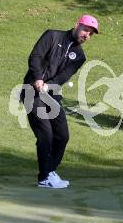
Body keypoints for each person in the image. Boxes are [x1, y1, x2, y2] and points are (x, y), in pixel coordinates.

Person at [21, 15, 99, 188]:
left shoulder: (79, 56)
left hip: (51, 95)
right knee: (46, 135)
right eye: (86, 29)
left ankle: (50, 171)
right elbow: (36, 56)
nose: (87, 35)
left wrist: (48, 86)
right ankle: (44, 178)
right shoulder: (52, 36)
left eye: (91, 34)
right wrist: (38, 78)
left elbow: (64, 76)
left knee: (62, 136)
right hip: (31, 92)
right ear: (77, 25)